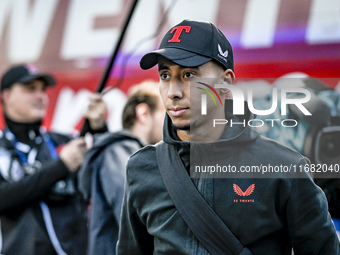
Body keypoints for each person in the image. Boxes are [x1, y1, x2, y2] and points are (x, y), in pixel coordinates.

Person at [116, 20, 340, 254]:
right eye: (164, 75)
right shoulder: (142, 168)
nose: (173, 92)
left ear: (226, 81)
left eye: (188, 74)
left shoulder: (286, 169)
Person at [0, 63, 106, 255]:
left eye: (42, 90)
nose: (40, 96)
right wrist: (60, 167)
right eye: (30, 89)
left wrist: (99, 129)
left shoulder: (64, 142)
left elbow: (106, 176)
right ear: (6, 96)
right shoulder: (2, 148)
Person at [78, 81, 165, 255]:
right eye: (166, 113)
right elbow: (135, 220)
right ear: (143, 113)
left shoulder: (125, 153)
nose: (173, 121)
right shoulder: (120, 153)